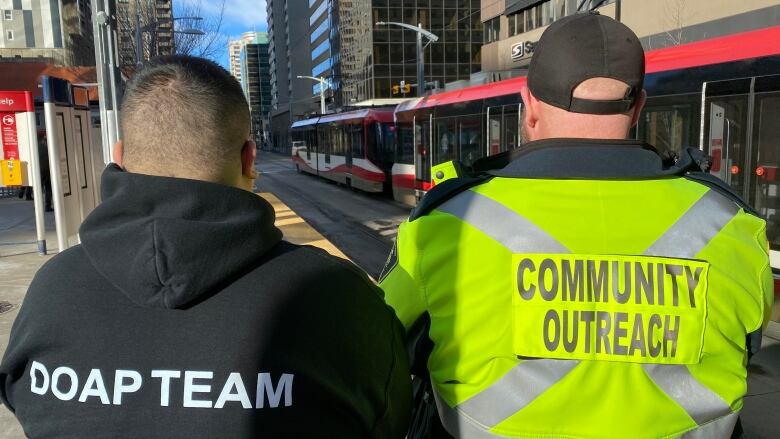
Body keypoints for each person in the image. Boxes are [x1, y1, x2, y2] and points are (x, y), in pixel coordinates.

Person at [380, 12, 773, 439]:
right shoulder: (731, 223)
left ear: (528, 107)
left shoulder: (445, 224)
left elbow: (379, 350)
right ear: (639, 107)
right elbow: (747, 343)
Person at [0, 56, 411, 438]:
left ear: (119, 156)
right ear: (250, 159)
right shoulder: (338, 296)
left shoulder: (52, 290)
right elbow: (393, 415)